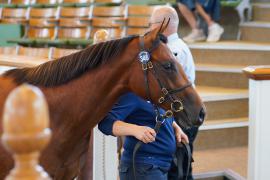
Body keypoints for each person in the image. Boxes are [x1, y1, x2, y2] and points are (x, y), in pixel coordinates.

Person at [98, 6, 195, 180]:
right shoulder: (133, 93)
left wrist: (174, 127)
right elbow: (105, 123)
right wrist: (134, 129)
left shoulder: (157, 89)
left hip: (157, 164)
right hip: (142, 166)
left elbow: (155, 113)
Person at [149, 6, 199, 180]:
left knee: (178, 170)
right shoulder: (170, 47)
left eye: (152, 23)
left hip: (182, 115)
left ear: (163, 24)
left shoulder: (173, 50)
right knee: (180, 168)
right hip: (181, 112)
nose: (149, 28)